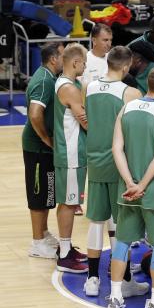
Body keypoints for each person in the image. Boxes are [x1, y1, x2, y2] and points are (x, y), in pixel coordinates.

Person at [107, 67, 154, 308]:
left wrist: (130, 182)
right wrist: (143, 185)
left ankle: (115, 297)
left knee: (123, 242)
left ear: (147, 84)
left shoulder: (126, 108)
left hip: (126, 189)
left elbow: (116, 149)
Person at [82, 46, 146, 297]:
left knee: (97, 222)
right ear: (126, 66)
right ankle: (126, 279)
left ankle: (92, 279)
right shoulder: (131, 93)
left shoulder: (88, 86)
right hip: (120, 165)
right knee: (122, 225)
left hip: (95, 160)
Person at [24, 43, 63, 259]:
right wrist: (46, 139)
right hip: (37, 148)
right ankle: (37, 243)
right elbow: (35, 114)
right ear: (53, 59)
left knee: (47, 193)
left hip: (43, 148)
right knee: (39, 195)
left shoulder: (48, 77)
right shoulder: (44, 81)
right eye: (62, 55)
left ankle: (44, 233)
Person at [53, 43, 89, 273]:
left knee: (70, 201)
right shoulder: (70, 88)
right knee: (68, 202)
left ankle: (65, 247)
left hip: (72, 152)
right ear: (75, 63)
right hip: (71, 154)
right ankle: (64, 255)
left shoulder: (70, 83)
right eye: (84, 62)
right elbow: (85, 121)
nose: (85, 66)